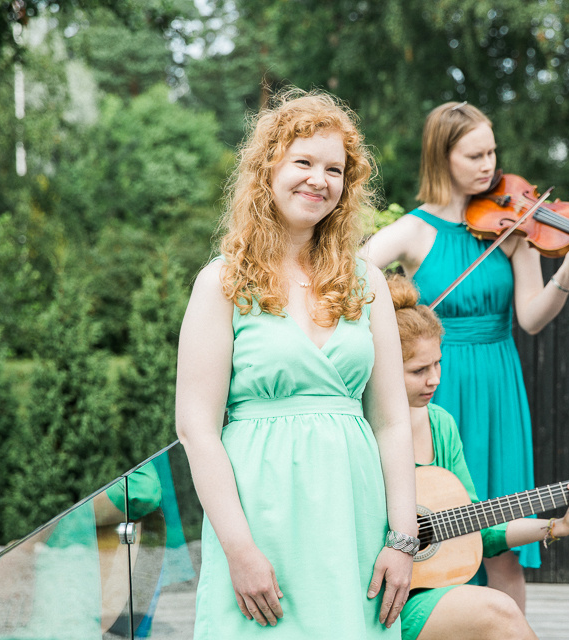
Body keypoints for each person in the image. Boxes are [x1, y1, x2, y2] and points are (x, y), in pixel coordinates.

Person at [176, 88, 417, 638]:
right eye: (303, 161)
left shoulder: (368, 282)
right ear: (267, 169)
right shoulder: (221, 282)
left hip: (354, 519)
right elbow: (196, 428)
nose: (319, 179)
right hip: (259, 520)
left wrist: (402, 539)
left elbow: (393, 421)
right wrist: (239, 550)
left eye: (335, 169)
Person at [363, 101, 569, 609]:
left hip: (498, 383)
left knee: (501, 541)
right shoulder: (414, 230)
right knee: (438, 524)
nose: (488, 165)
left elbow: (532, 318)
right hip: (435, 382)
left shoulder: (513, 230)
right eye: (474, 155)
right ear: (441, 157)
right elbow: (351, 273)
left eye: (492, 152)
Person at [387, 275, 569, 640]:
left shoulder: (440, 424)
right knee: (499, 609)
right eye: (419, 371)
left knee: (497, 608)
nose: (435, 380)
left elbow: (479, 530)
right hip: (377, 594)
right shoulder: (356, 426)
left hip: (426, 592)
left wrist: (557, 526)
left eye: (438, 364)